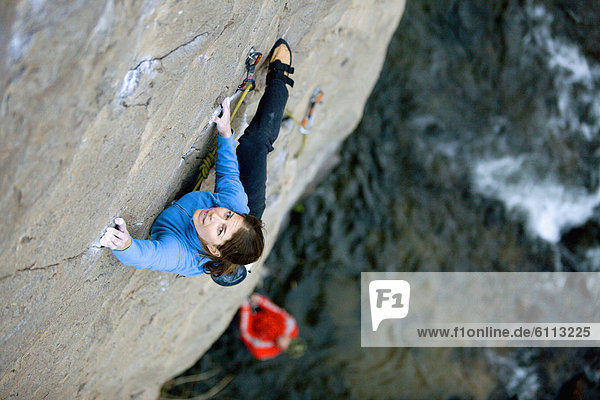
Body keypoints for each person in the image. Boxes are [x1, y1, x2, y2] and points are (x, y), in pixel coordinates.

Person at [100, 38, 294, 278]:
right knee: (256, 144)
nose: (216, 215)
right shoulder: (234, 204)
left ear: (213, 248)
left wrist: (126, 245)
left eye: (221, 229)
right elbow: (229, 173)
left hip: (214, 251)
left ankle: (234, 269)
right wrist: (225, 133)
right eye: (227, 216)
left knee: (229, 266)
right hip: (250, 210)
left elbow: (148, 256)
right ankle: (280, 78)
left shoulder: (181, 254)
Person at [239, 293, 305, 360]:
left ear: (284, 351)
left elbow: (245, 332)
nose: (284, 341)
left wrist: (245, 309)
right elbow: (277, 311)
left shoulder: (261, 350)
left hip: (247, 329)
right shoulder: (291, 325)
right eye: (290, 341)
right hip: (260, 313)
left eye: (287, 346)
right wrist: (261, 300)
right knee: (257, 294)